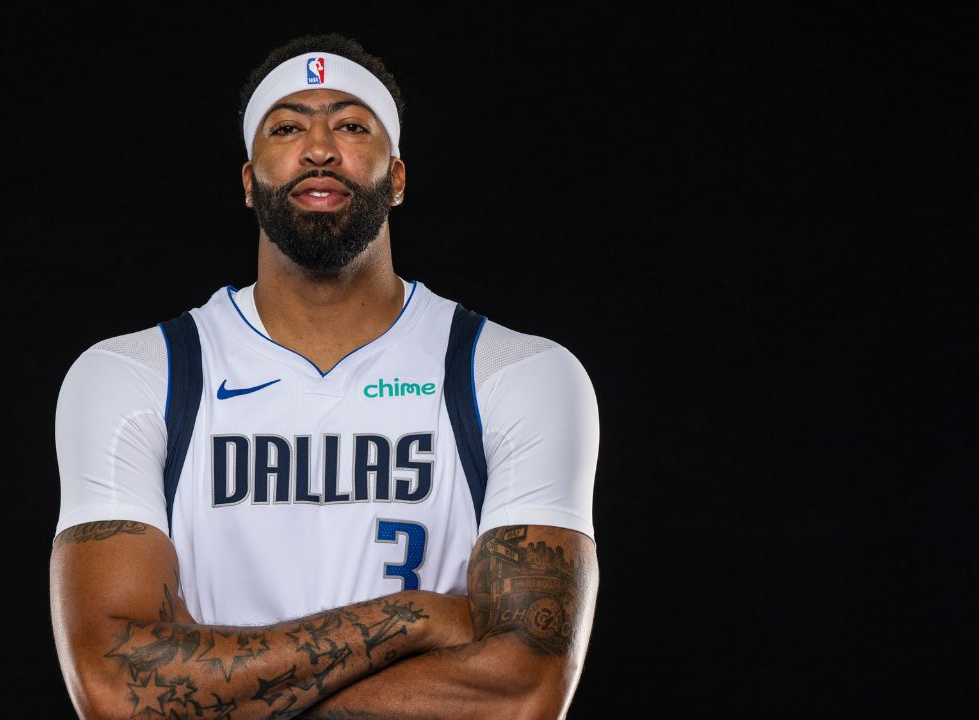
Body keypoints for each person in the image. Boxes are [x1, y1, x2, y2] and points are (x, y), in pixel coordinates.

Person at [50, 33, 600, 719]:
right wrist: (413, 617)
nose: (318, 148)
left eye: (349, 124)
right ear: (249, 182)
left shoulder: (516, 375)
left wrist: (224, 700)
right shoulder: (135, 377)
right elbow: (115, 693)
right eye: (287, 127)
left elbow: (523, 693)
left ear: (396, 177)